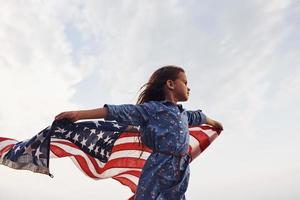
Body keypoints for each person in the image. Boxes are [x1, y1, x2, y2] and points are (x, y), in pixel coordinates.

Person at [55, 65, 223, 200]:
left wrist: (216, 123)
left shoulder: (185, 115)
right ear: (170, 84)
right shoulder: (152, 109)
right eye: (185, 82)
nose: (188, 87)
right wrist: (78, 115)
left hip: (181, 170)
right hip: (159, 166)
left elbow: (201, 117)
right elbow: (117, 111)